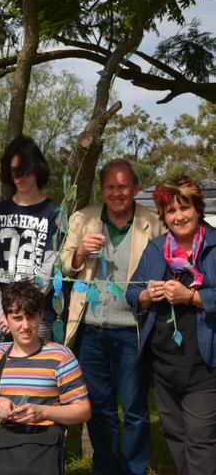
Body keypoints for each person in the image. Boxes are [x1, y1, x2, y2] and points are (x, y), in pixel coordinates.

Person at [61, 159, 162, 475]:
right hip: (90, 330)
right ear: (101, 190)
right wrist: (79, 253)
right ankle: (105, 468)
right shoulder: (84, 219)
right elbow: (64, 266)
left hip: (132, 330)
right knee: (100, 408)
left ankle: (135, 468)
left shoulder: (154, 223)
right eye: (110, 187)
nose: (117, 193)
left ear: (134, 188)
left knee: (134, 409)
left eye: (123, 186)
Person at [126, 176, 216, 475]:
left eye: (184, 208)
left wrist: (191, 296)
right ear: (163, 216)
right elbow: (131, 292)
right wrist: (145, 295)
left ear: (198, 208)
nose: (178, 216)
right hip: (164, 366)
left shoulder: (213, 246)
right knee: (176, 437)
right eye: (171, 211)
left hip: (204, 367)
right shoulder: (156, 249)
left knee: (201, 441)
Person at [0, 279, 90, 432]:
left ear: (41, 315)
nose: (25, 326)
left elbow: (83, 410)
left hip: (42, 443)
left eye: (31, 317)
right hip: (1, 443)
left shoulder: (60, 356)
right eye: (17, 318)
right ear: (6, 318)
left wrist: (43, 412)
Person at [0, 136, 60, 342]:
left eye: (26, 170)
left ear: (37, 169)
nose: (20, 177)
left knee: (36, 372)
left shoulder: (53, 213)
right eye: (15, 171)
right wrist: (1, 311)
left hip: (36, 317)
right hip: (1, 317)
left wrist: (23, 312)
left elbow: (50, 267)